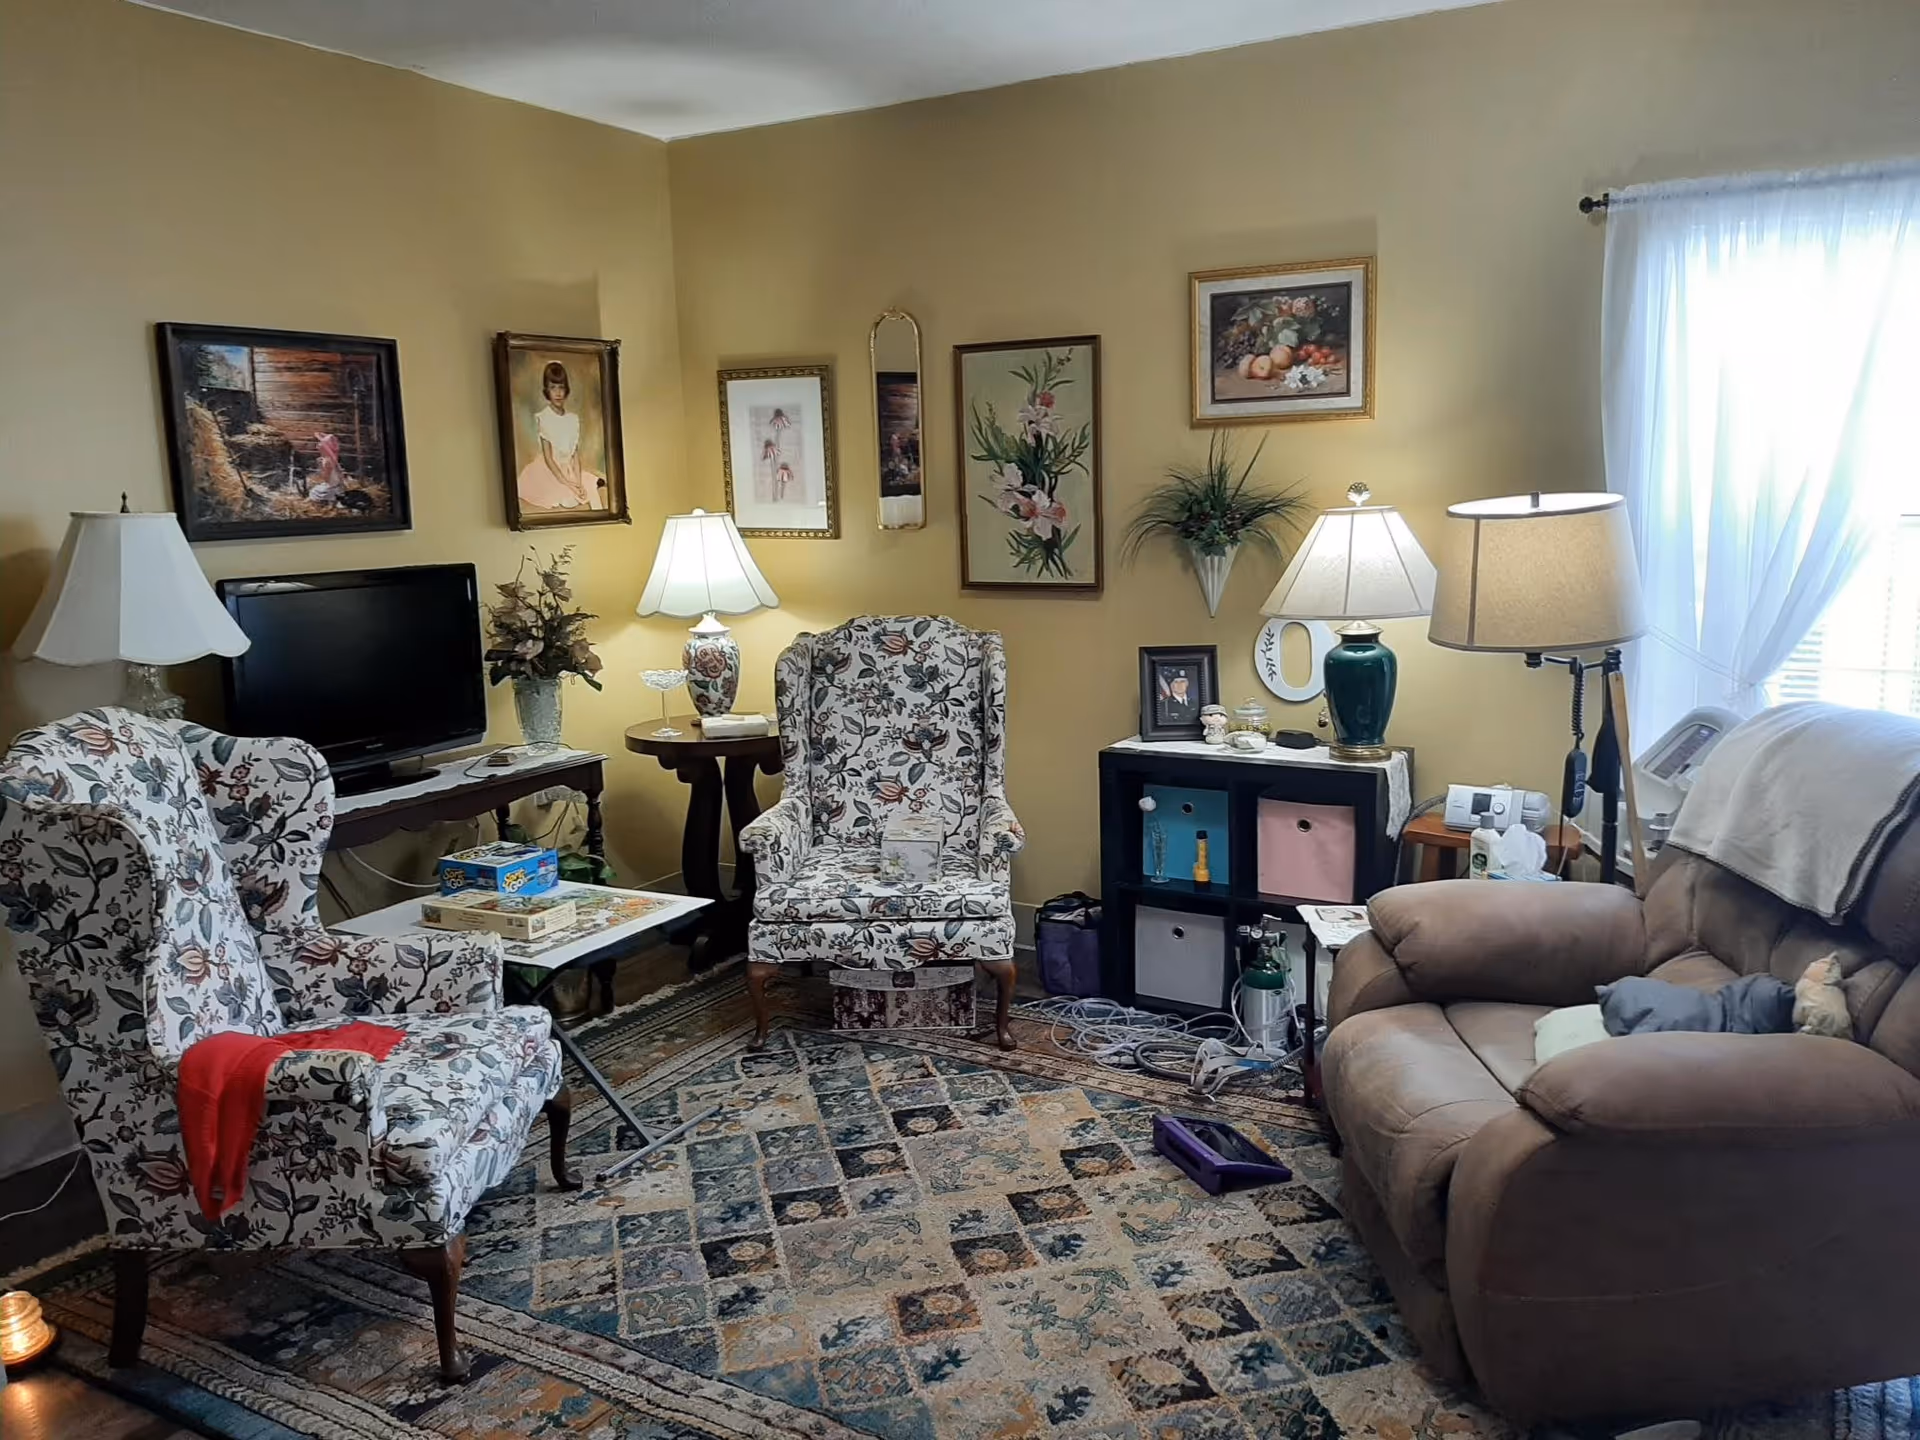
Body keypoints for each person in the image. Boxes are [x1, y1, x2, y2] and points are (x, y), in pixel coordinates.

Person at [517, 361, 605, 510]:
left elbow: (575, 455)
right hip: (550, 470)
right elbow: (549, 459)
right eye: (553, 388)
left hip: (568, 468)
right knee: (566, 498)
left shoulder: (573, 419)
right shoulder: (544, 418)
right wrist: (568, 483)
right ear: (547, 391)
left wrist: (577, 481)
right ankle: (566, 488)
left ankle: (600, 511)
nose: (558, 393)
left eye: (561, 387)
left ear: (566, 390)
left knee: (587, 488)